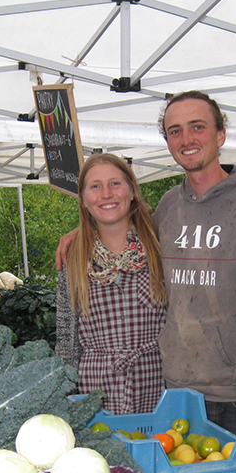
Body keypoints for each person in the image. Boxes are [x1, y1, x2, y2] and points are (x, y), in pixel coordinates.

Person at [57, 91, 236, 473]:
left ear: (220, 133)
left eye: (197, 127)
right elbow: (116, 218)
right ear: (167, 141)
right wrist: (82, 226)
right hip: (174, 396)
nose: (186, 138)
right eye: (175, 130)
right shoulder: (167, 209)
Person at [55, 153, 167, 415]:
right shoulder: (73, 257)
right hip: (95, 391)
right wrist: (66, 402)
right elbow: (66, 341)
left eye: (115, 184)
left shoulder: (161, 244)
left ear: (131, 191)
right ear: (83, 199)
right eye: (95, 186)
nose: (106, 194)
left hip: (157, 383)